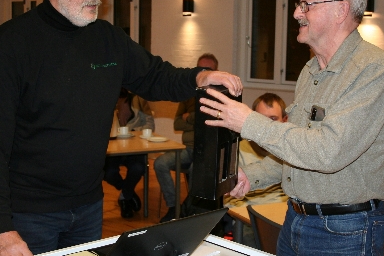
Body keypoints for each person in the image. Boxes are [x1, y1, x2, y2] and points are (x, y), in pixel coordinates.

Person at [0, 0, 242, 256]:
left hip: (87, 207)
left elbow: (156, 76)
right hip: (28, 213)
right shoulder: (12, 44)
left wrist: (200, 77)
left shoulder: (107, 39)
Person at [198, 0, 384, 256]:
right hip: (295, 222)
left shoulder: (373, 70)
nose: (296, 13)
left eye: (306, 4)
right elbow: (300, 147)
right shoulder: (311, 71)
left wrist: (247, 121)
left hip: (345, 232)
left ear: (340, 9)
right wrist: (255, 176)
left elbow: (328, 152)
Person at [154, 53, 218, 223]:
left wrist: (189, 117)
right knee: (159, 163)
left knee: (193, 171)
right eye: (200, 69)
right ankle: (175, 207)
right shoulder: (188, 95)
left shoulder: (219, 97)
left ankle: (189, 209)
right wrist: (196, 118)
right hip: (187, 149)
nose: (203, 72)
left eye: (208, 69)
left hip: (205, 152)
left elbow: (211, 124)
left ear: (215, 71)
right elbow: (177, 124)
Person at [225, 92, 288, 208]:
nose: (266, 124)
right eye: (260, 119)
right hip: (250, 216)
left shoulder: (289, 151)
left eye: (273, 119)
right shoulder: (238, 151)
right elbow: (229, 198)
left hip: (283, 213)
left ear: (285, 120)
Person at [104, 88, 154, 218]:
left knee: (138, 168)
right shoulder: (106, 100)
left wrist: (134, 134)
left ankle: (124, 199)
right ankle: (128, 193)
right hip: (114, 149)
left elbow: (150, 125)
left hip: (134, 147)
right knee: (108, 172)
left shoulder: (139, 100)